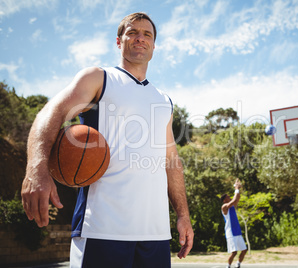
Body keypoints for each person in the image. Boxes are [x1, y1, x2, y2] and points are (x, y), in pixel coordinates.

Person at [21, 12, 193, 267]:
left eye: (147, 34)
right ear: (118, 41)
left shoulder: (163, 100)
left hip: (155, 233)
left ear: (154, 45)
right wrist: (37, 168)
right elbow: (51, 112)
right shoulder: (99, 78)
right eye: (132, 32)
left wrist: (183, 214)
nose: (140, 38)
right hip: (102, 228)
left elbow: (171, 159)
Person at [220, 178, 247, 268]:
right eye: (227, 197)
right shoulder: (224, 207)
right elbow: (234, 200)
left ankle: (238, 264)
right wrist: (236, 188)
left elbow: (237, 198)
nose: (229, 197)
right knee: (234, 252)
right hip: (230, 233)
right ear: (225, 200)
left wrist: (238, 187)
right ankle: (228, 266)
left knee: (244, 250)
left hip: (237, 231)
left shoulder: (232, 206)